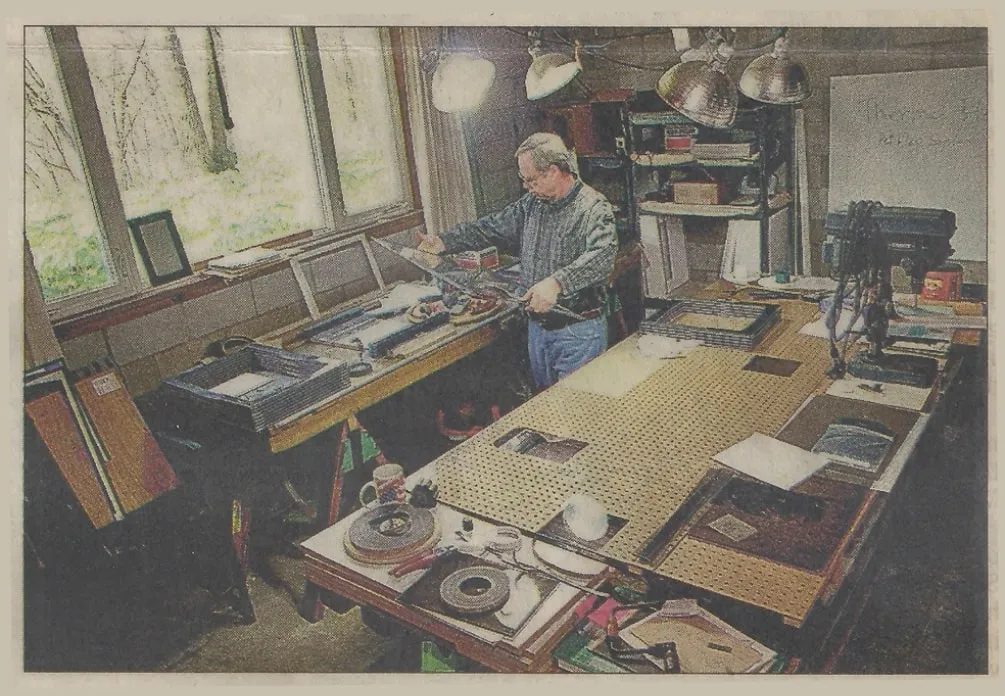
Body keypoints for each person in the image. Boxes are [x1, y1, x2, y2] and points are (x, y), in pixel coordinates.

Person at [417, 132, 618, 390]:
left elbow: (602, 256)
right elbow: (489, 228)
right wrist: (444, 242)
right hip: (538, 330)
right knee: (545, 410)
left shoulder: (592, 208)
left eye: (530, 179)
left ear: (553, 172)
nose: (526, 186)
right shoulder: (531, 205)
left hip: (578, 332)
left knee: (577, 414)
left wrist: (557, 283)